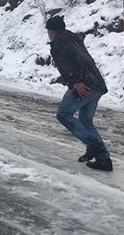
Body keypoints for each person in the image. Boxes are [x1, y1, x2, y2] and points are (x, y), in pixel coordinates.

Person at [46, 15, 112, 171]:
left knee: (63, 114)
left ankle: (94, 145)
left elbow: (73, 62)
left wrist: (75, 81)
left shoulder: (60, 42)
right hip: (97, 83)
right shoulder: (73, 39)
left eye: (48, 31)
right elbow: (84, 60)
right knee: (86, 121)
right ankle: (103, 160)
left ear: (52, 31)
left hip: (85, 84)